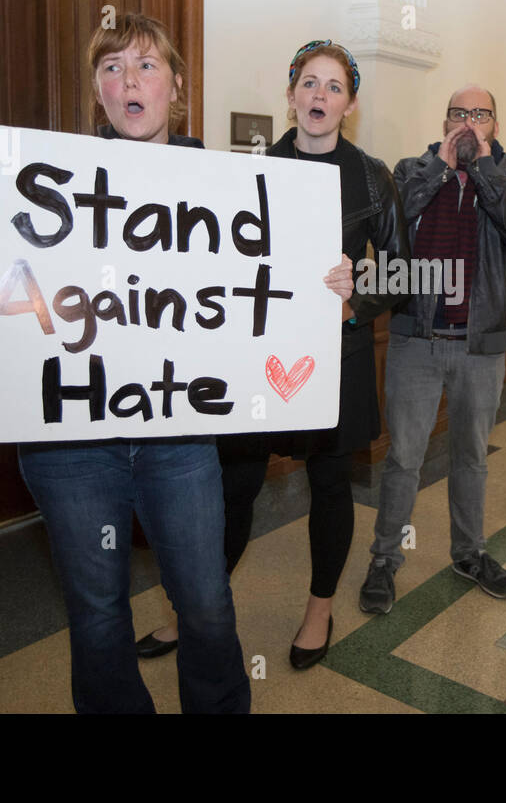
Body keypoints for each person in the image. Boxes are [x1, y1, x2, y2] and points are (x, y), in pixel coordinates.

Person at [0, 14, 350, 710]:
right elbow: (12, 295)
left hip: (180, 442)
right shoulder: (48, 184)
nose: (128, 78)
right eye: (111, 67)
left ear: (176, 87)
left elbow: (264, 294)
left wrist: (327, 289)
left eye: (146, 65)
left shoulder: (225, 189)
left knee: (205, 606)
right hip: (68, 444)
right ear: (98, 92)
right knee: (98, 618)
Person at [139, 40, 408, 671]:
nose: (320, 96)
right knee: (235, 485)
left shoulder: (372, 176)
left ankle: (319, 609)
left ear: (350, 101)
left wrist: (356, 299)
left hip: (335, 355)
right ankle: (192, 609)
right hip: (257, 356)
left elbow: (400, 272)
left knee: (330, 482)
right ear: (290, 95)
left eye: (333, 86)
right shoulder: (248, 169)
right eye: (308, 83)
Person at [358, 85, 506, 614]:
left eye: (480, 114)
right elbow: (386, 230)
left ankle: (470, 553)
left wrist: (485, 174)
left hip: (479, 345)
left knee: (471, 456)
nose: (469, 122)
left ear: (494, 124)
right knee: (403, 458)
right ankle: (383, 559)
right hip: (416, 339)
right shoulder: (409, 172)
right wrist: (441, 170)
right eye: (459, 113)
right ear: (444, 121)